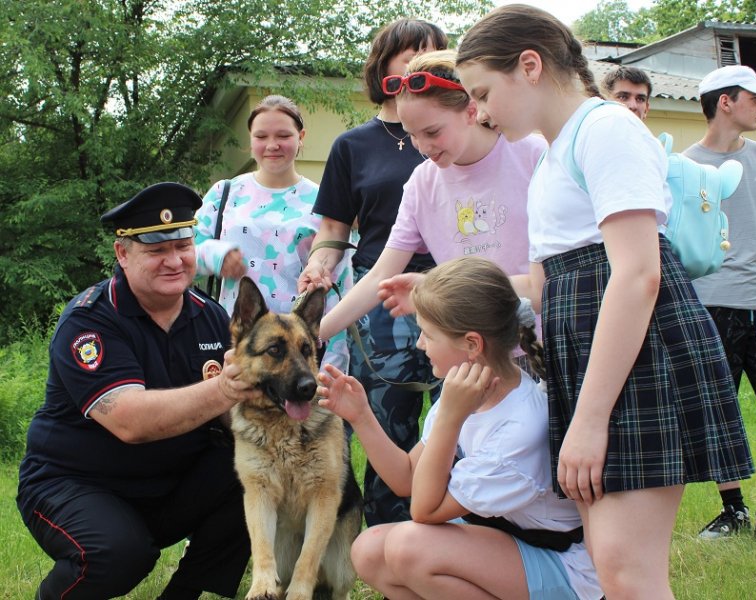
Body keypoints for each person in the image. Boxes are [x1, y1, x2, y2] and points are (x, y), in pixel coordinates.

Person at [456, 5, 755, 599]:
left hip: (630, 365)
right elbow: (552, 285)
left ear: (530, 66)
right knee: (609, 566)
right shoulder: (553, 154)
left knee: (626, 572)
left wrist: (590, 421)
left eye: (483, 92)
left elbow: (638, 274)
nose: (480, 111)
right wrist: (440, 287)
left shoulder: (607, 129)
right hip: (594, 366)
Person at [16, 183, 255, 600]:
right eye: (156, 251)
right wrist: (228, 387)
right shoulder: (89, 320)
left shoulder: (211, 317)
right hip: (75, 483)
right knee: (118, 553)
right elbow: (130, 421)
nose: (174, 261)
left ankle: (182, 595)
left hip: (167, 483)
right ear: (122, 254)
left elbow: (232, 418)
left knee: (252, 469)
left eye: (183, 245)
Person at [317, 256, 602, 600]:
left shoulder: (518, 426)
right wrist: (361, 415)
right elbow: (407, 477)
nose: (420, 344)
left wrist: (451, 418)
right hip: (510, 544)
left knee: (409, 547)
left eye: (428, 334)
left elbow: (424, 510)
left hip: (564, 570)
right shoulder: (469, 392)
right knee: (369, 550)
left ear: (471, 344)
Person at [297, 18, 448, 526]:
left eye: (431, 53)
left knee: (466, 424)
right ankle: (390, 538)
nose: (418, 61)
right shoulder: (353, 146)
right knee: (388, 423)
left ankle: (460, 531)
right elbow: (334, 230)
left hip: (457, 291)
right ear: (383, 64)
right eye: (409, 53)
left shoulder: (463, 130)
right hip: (382, 298)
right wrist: (320, 266)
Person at [317, 49, 546, 350]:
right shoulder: (421, 184)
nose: (423, 147)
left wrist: (437, 288)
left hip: (540, 348)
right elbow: (381, 276)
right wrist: (312, 332)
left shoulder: (532, 155)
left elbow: (545, 284)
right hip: (468, 353)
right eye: (412, 134)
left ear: (471, 110)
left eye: (432, 132)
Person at [194, 94, 352, 372]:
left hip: (299, 356)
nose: (272, 145)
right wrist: (218, 256)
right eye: (261, 136)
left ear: (301, 136)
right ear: (250, 139)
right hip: (240, 348)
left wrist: (333, 364)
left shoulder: (325, 200)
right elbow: (185, 255)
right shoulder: (224, 193)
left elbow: (341, 286)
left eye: (283, 135)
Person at [682, 64, 756, 539]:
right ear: (725, 102)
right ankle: (733, 510)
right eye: (751, 96)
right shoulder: (685, 168)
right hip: (711, 305)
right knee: (718, 410)